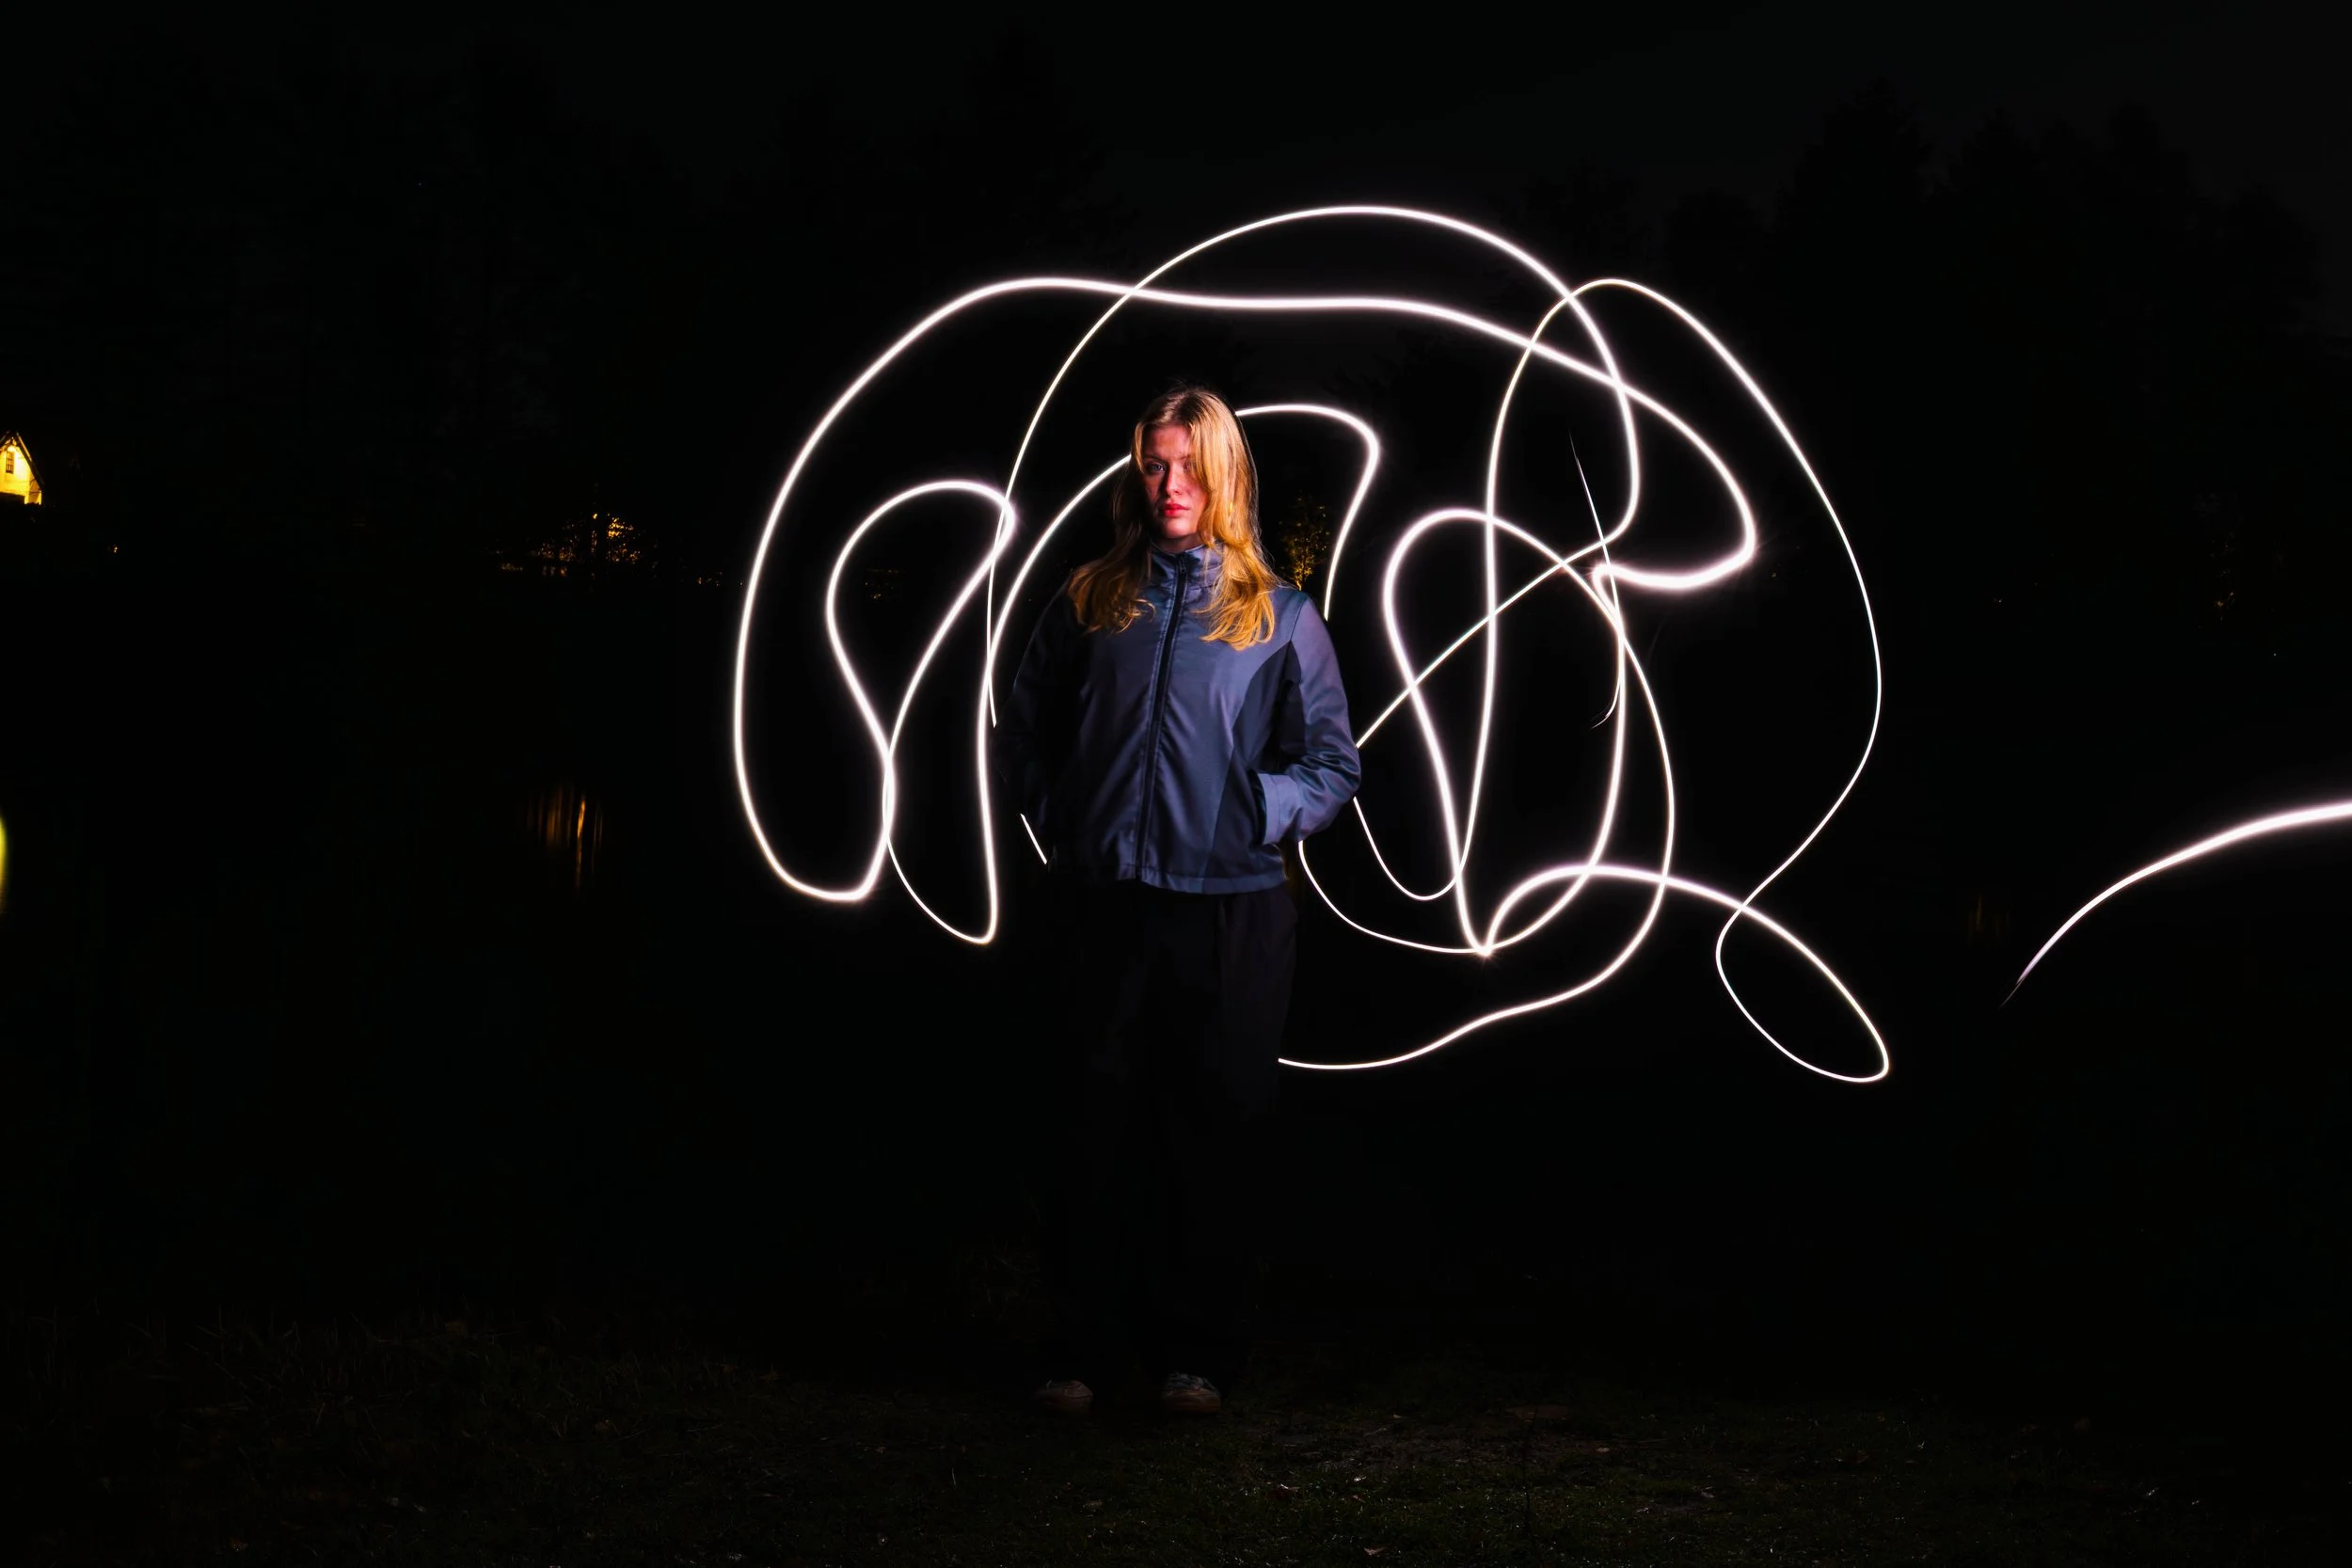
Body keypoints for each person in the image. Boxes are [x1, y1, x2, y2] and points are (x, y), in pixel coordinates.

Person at [995, 384, 1361, 1417]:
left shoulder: (1278, 614)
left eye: (1190, 464)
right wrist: (1058, 806)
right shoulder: (1087, 598)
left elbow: (1334, 761)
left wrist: (1262, 804)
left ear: (1223, 474)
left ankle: (1195, 1355)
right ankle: (1076, 1349)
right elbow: (1019, 727)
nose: (1170, 484)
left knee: (1212, 1131)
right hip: (1104, 899)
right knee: (1089, 1126)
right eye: (1155, 462)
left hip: (1235, 910)